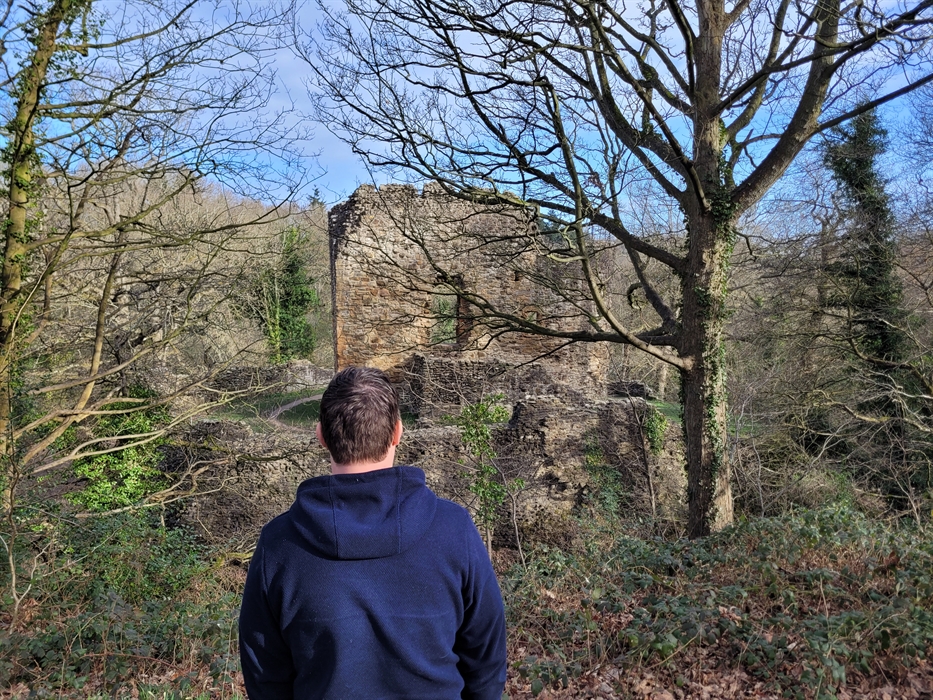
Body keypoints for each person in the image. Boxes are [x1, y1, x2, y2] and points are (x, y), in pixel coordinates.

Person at [239, 366, 508, 700]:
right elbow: (487, 663)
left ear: (321, 435)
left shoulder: (278, 546)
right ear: (398, 432)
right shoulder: (455, 530)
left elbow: (265, 677)